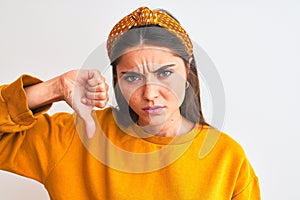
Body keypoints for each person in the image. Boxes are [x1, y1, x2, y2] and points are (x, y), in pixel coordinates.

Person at [0, 6, 260, 200]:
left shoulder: (227, 159)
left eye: (165, 73)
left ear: (188, 70)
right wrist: (52, 88)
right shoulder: (74, 138)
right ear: (117, 79)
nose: (149, 94)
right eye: (133, 77)